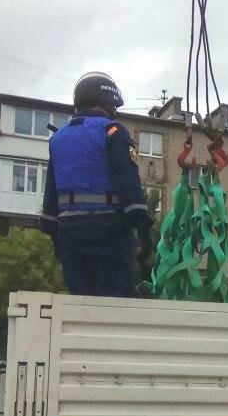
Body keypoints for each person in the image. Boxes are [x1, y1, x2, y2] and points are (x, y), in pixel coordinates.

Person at [41, 72, 152, 297]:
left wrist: (54, 236)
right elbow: (128, 182)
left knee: (81, 298)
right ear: (108, 104)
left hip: (69, 234)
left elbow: (50, 195)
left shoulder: (58, 138)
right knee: (119, 299)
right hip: (109, 231)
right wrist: (143, 233)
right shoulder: (112, 132)